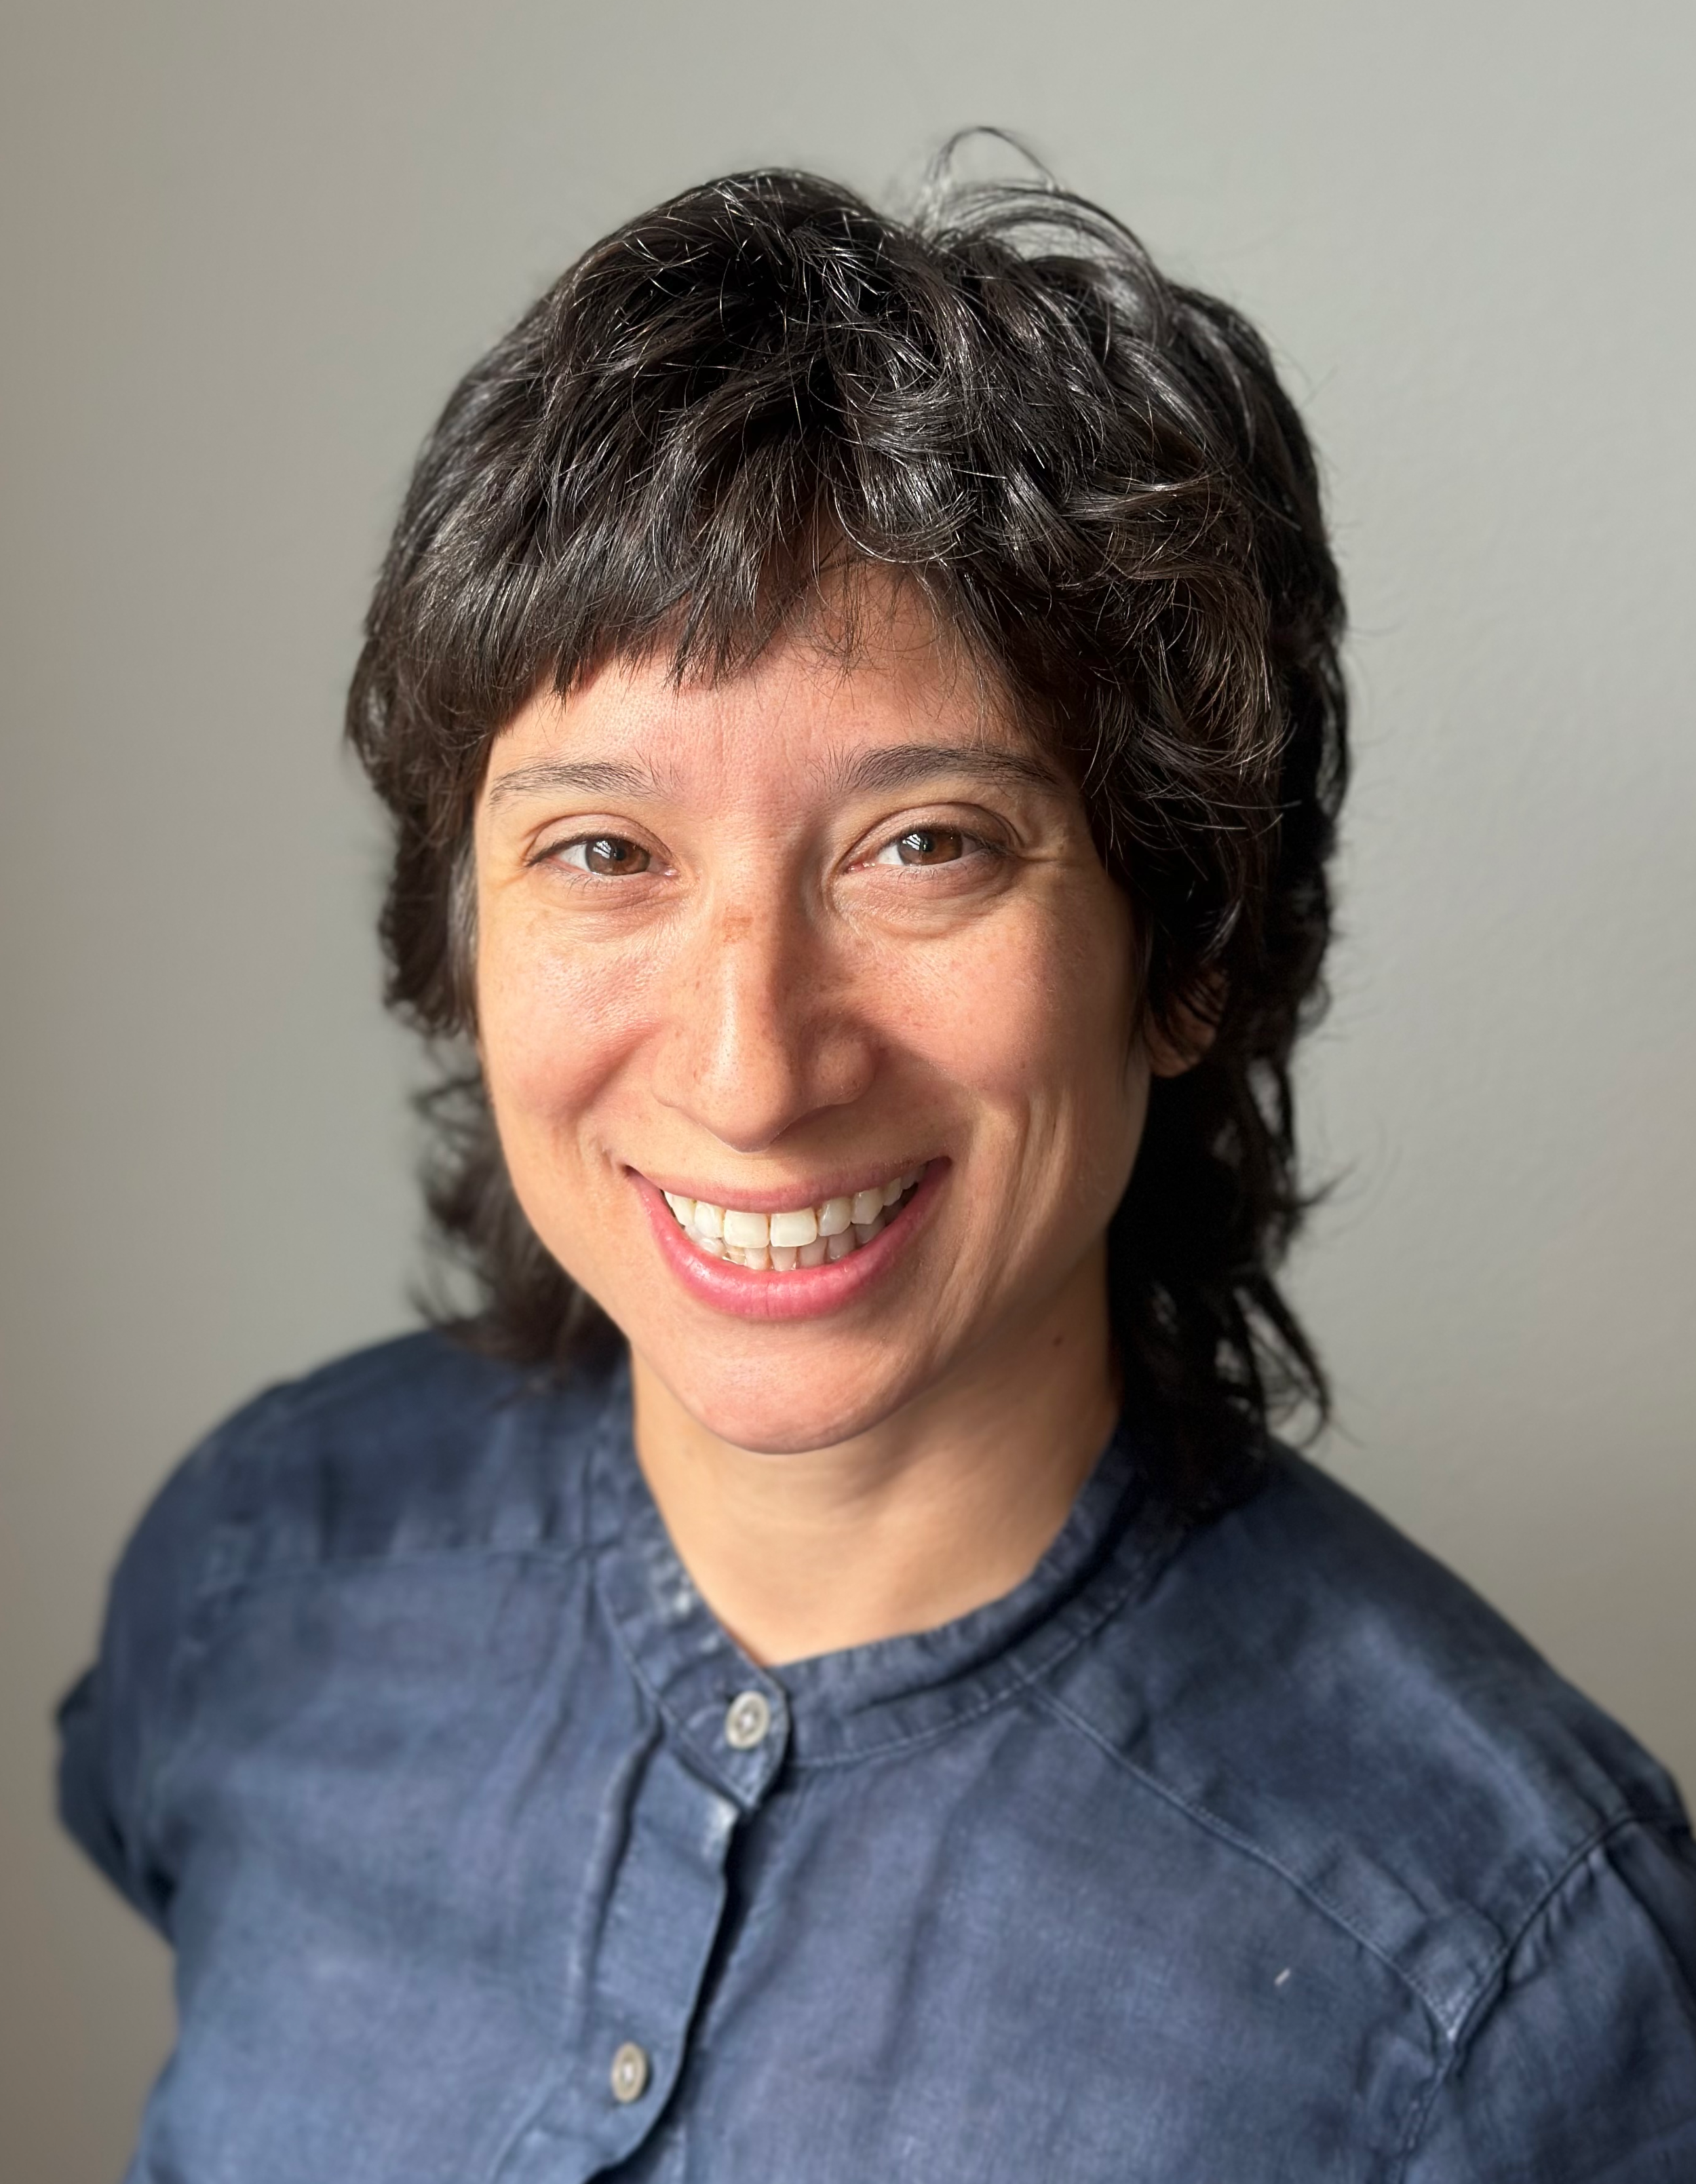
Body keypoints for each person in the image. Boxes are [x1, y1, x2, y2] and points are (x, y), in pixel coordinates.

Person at [58, 158, 1696, 2183]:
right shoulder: (257, 1580)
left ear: (1181, 952)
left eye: (923, 844)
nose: (753, 1070)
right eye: (603, 850)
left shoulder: (1509, 1980)